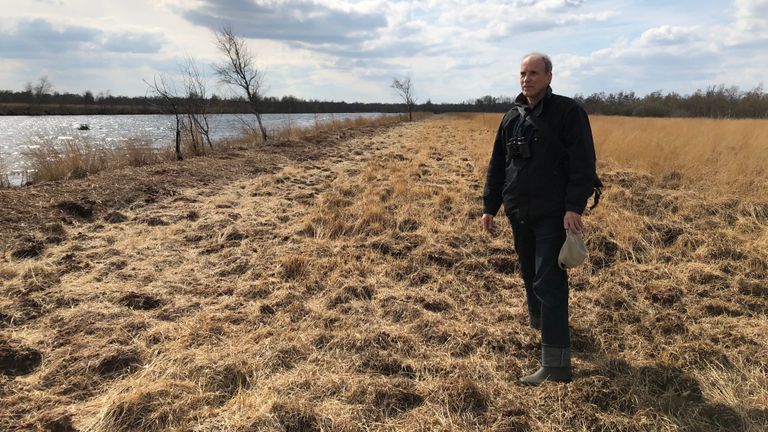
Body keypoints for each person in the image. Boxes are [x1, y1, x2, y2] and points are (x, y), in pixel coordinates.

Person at [481, 52, 597, 385]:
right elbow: (498, 166)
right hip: (519, 213)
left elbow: (583, 164)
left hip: (554, 215)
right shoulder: (511, 117)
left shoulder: (568, 112)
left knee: (549, 283)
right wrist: (491, 206)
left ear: (549, 77)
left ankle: (556, 366)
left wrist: (574, 206)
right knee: (529, 274)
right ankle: (544, 329)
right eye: (522, 73)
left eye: (534, 73)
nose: (526, 78)